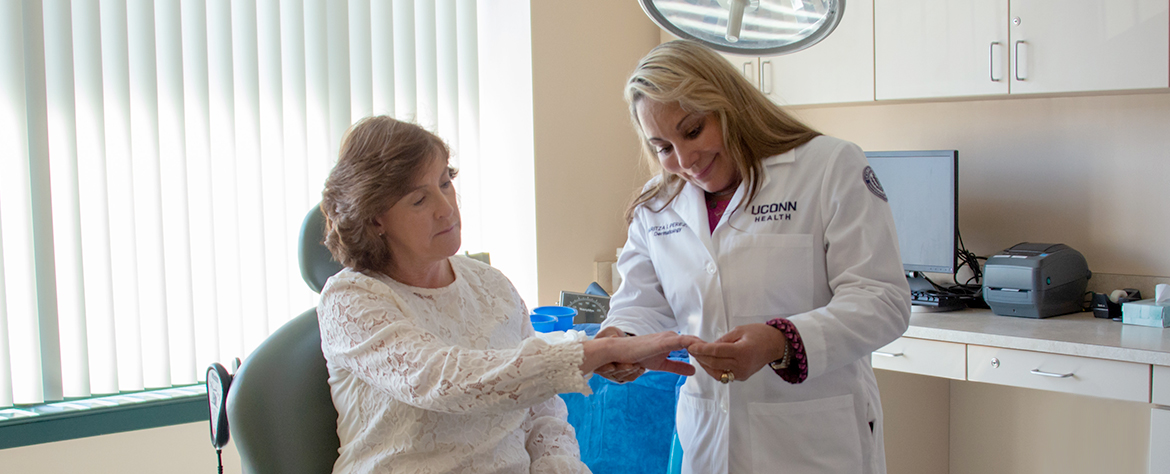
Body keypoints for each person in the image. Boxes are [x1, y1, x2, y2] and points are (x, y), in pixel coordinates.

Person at [316, 115, 700, 474]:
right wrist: (594, 353)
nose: (446, 208)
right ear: (374, 219)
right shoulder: (350, 300)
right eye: (419, 200)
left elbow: (542, 410)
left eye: (445, 183)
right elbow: (447, 381)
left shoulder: (489, 285)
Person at [595, 40, 912, 474]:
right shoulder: (657, 205)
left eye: (692, 131)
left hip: (813, 443)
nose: (685, 160)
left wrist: (780, 342)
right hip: (709, 441)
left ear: (729, 105)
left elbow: (883, 301)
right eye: (663, 147)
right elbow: (640, 302)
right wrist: (624, 341)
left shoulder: (827, 167)